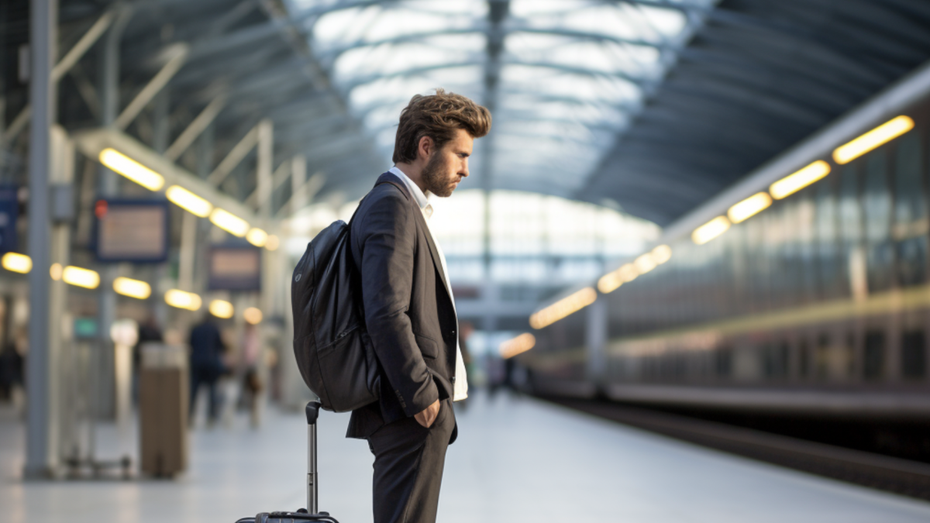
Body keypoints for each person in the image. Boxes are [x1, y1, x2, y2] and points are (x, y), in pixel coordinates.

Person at [346, 89, 491, 523]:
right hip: (408, 410)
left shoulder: (402, 205)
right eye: (460, 155)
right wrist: (422, 395)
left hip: (412, 412)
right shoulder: (392, 207)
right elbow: (385, 310)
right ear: (426, 146)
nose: (466, 169)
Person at [188, 316, 225, 427]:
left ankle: (190, 416)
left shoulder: (196, 329)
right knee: (212, 392)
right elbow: (220, 346)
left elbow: (190, 344)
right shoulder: (215, 329)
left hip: (197, 363)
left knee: (194, 392)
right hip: (211, 364)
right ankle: (211, 418)